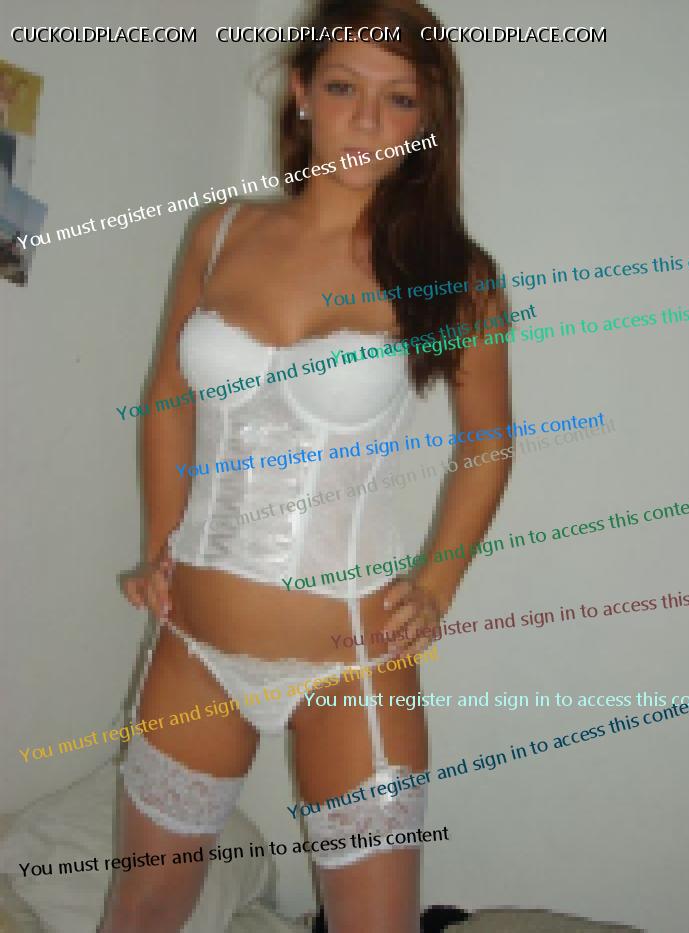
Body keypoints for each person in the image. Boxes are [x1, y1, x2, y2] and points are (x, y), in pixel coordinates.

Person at [99, 1, 511, 930]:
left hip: (349, 658)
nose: (366, 120)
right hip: (194, 642)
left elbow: (486, 443)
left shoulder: (456, 275)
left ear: (429, 118)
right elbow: (168, 394)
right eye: (342, 87)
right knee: (140, 908)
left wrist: (437, 584)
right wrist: (160, 542)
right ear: (300, 93)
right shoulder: (219, 233)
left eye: (399, 98)